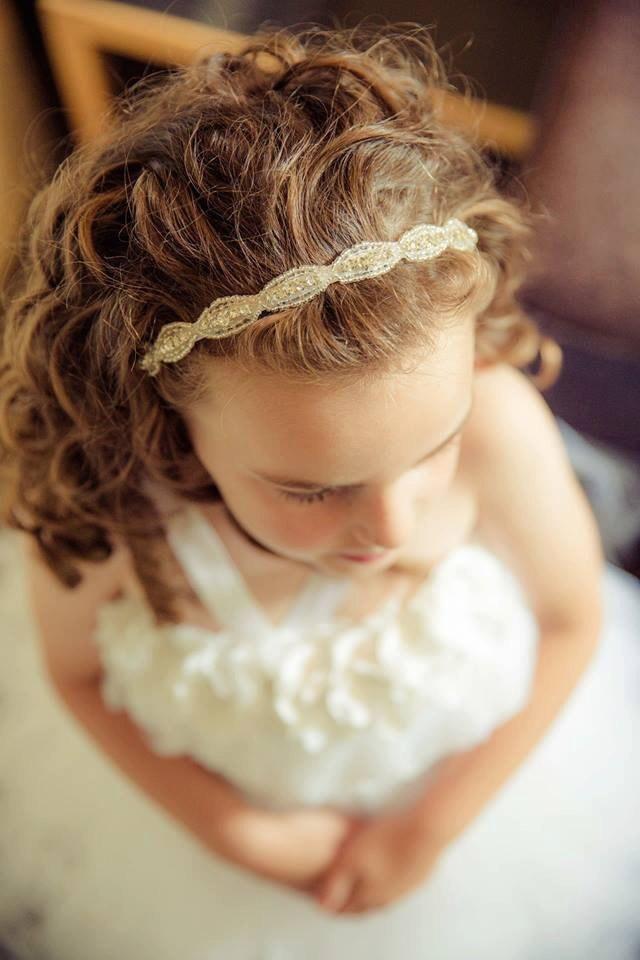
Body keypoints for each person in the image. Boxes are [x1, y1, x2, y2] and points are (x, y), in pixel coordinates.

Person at [1, 22, 639, 960]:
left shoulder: (503, 424)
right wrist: (237, 833)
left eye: (436, 447)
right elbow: (77, 677)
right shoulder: (115, 507)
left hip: (467, 805)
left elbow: (570, 619)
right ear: (163, 420)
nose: (393, 523)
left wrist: (430, 828)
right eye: (310, 490)